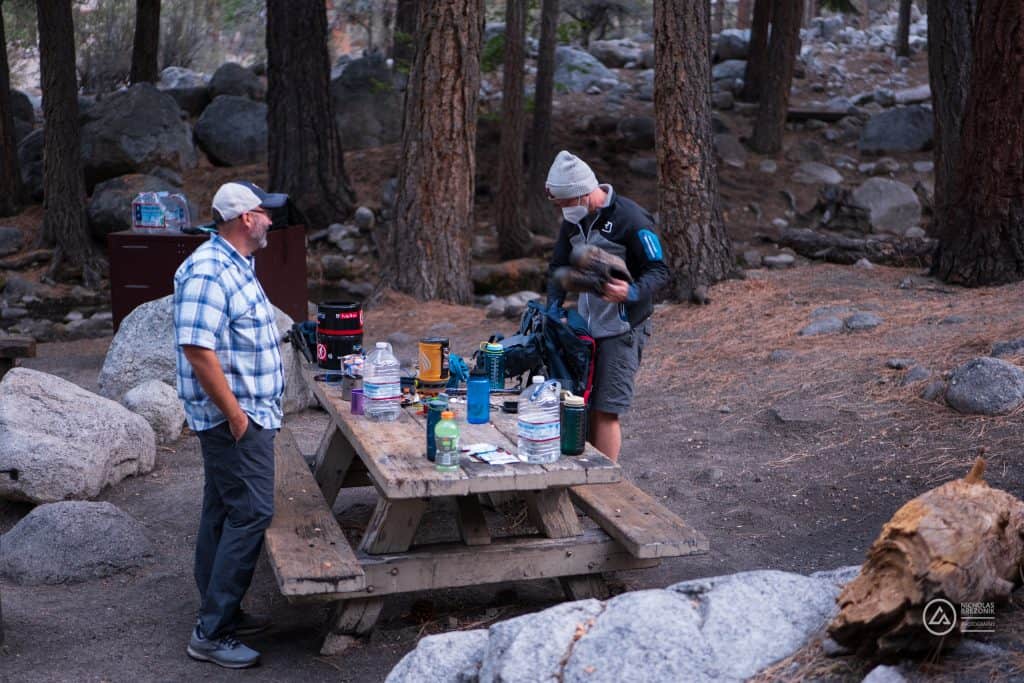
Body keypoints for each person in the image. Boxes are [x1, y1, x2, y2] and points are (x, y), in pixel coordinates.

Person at [174, 181, 286, 669]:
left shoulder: (237, 263)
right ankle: (212, 631)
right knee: (252, 513)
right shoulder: (208, 270)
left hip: (248, 414)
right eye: (266, 213)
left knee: (222, 510)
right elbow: (198, 350)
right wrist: (237, 417)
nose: (271, 221)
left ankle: (223, 611)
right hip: (236, 419)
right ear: (246, 219)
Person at [544, 150, 670, 462]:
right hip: (587, 328)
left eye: (563, 203)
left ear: (582, 194)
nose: (561, 210)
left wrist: (631, 291)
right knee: (579, 404)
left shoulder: (631, 218)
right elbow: (557, 268)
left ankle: (603, 487)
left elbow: (661, 271)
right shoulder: (573, 221)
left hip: (623, 327)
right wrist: (553, 309)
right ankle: (581, 473)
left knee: (606, 409)